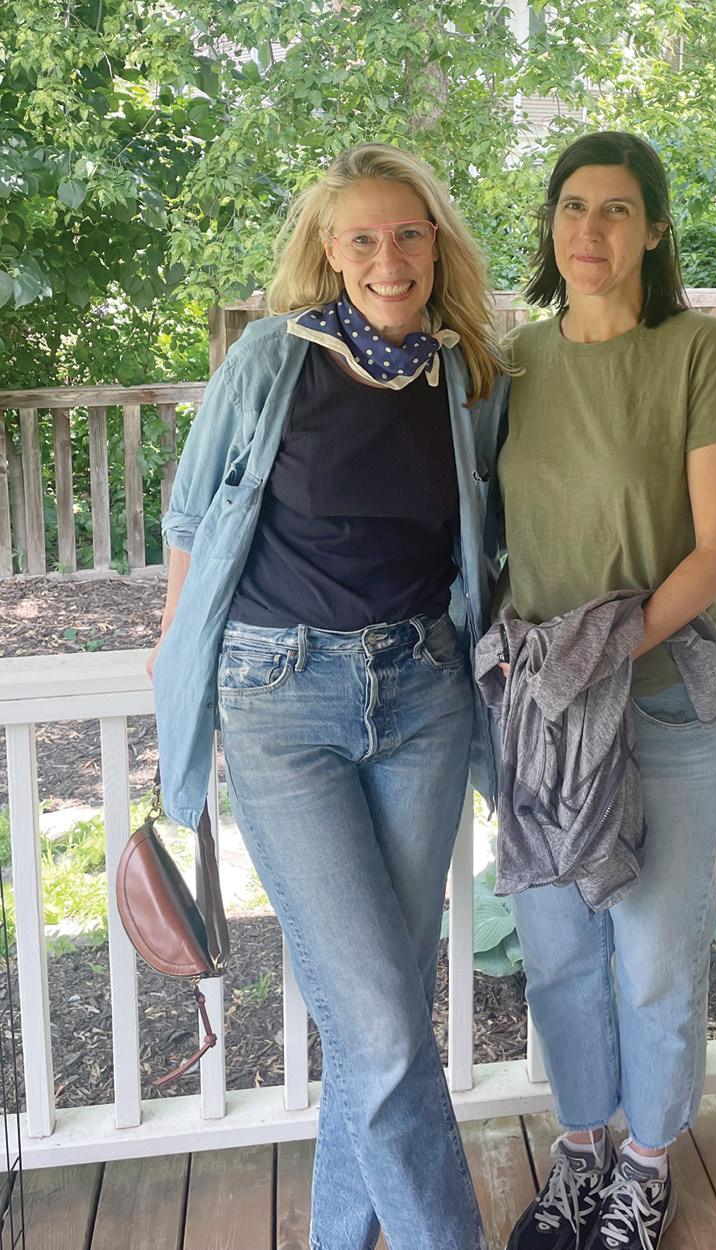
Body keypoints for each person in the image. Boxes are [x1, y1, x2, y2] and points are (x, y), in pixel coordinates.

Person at [147, 142, 510, 1250]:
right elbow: (188, 523)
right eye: (361, 237)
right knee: (389, 1022)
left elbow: (480, 540)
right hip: (280, 698)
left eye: (407, 233)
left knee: (379, 1017)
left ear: (435, 243)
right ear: (326, 251)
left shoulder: (464, 377)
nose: (387, 258)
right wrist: (178, 689)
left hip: (422, 694)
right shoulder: (272, 359)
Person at [495, 132, 716, 1250]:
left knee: (657, 954)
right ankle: (579, 1147)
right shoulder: (514, 364)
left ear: (656, 228)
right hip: (543, 721)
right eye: (573, 207)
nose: (592, 231)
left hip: (662, 705)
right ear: (550, 226)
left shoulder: (701, 353)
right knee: (559, 953)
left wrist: (597, 653)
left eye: (619, 210)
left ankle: (647, 1162)